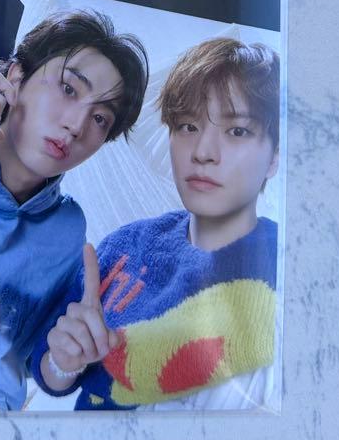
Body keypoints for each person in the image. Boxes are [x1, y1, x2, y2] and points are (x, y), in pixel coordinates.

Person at [34, 37, 280, 411]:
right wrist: (63, 362)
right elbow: (48, 367)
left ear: (274, 157)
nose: (203, 152)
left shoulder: (289, 264)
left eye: (237, 131)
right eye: (188, 126)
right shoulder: (126, 245)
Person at [0, 11, 148, 409]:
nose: (76, 125)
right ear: (16, 76)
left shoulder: (68, 231)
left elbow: (39, 360)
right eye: (69, 89)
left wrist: (64, 361)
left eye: (100, 118)